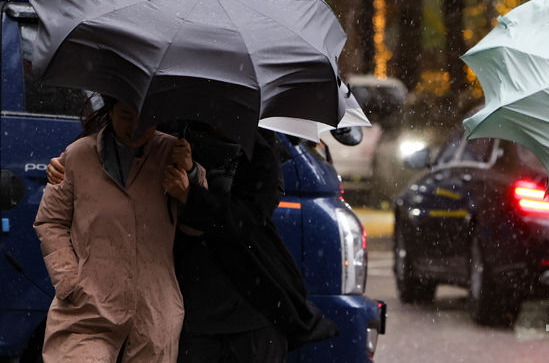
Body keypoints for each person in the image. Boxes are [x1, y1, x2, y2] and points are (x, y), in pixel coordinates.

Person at [47, 123, 337, 363]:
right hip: (186, 307)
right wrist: (64, 165)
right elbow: (99, 154)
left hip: (253, 305)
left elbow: (244, 222)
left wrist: (192, 196)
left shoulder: (260, 150)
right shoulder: (166, 134)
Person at [35, 96, 205, 363]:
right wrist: (69, 280)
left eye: (147, 118)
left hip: (155, 308)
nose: (137, 126)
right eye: (127, 115)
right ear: (110, 112)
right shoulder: (78, 155)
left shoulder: (174, 155)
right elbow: (50, 221)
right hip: (88, 305)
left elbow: (199, 228)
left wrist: (190, 180)